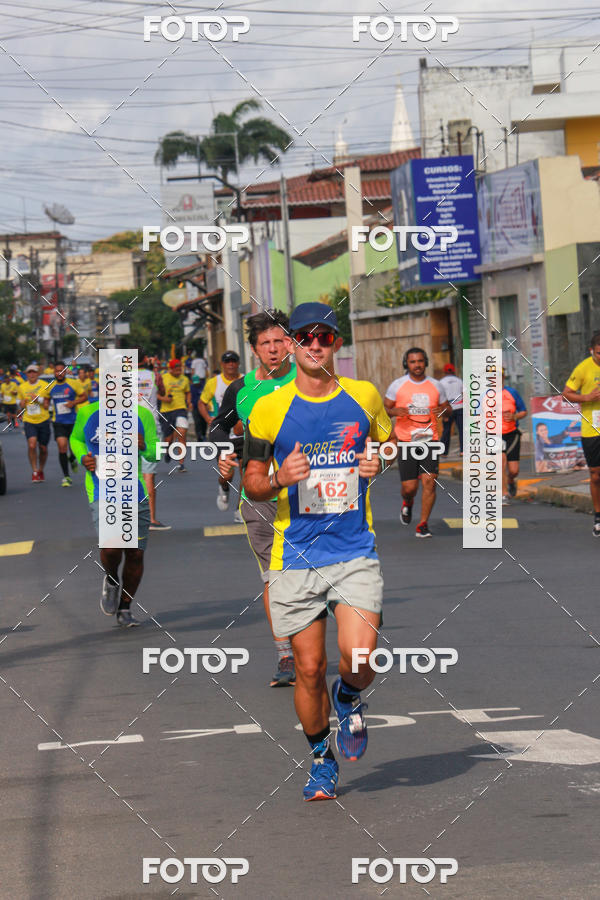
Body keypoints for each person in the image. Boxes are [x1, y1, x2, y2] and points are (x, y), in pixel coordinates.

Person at [243, 301, 391, 801]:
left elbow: (387, 442)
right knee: (308, 669)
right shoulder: (267, 408)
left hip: (354, 550)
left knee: (361, 655)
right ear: (290, 344)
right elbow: (251, 481)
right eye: (303, 337)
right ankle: (322, 761)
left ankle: (347, 696)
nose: (314, 345)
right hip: (296, 556)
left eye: (323, 336)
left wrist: (377, 461)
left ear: (336, 344)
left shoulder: (363, 395)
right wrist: (277, 479)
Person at [213, 310, 297, 687]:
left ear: (290, 344)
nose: (273, 349)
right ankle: (285, 655)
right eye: (266, 343)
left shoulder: (312, 381)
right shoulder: (241, 389)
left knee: (314, 575)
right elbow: (217, 427)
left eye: (279, 341)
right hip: (259, 493)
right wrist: (227, 452)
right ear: (254, 349)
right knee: (274, 576)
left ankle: (314, 644)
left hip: (308, 494)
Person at [70, 400, 158, 627]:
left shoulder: (142, 414)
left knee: (135, 553)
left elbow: (155, 453)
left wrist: (144, 446)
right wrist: (83, 457)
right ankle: (111, 579)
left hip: (135, 491)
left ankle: (125, 608)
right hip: (102, 490)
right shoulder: (88, 412)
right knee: (111, 547)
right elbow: (76, 439)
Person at [384, 348, 451, 538]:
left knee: (430, 481)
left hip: (430, 440)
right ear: (407, 364)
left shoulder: (436, 385)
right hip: (406, 441)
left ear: (426, 362)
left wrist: (443, 411)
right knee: (410, 487)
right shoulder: (397, 385)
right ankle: (408, 501)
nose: (417, 365)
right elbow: (385, 408)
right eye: (413, 362)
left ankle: (423, 524)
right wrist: (395, 412)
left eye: (420, 361)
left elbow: (448, 409)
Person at [562, 331, 600, 535]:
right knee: (595, 475)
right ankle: (598, 516)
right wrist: (587, 397)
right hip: (591, 429)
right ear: (591, 351)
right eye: (599, 353)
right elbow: (566, 395)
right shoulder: (583, 368)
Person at [198, 351, 242, 511]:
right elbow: (201, 403)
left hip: (242, 433)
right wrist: (208, 419)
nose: (231, 364)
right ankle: (224, 487)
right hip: (222, 434)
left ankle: (240, 510)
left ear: (238, 363)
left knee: (247, 475)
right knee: (227, 475)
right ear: (222, 364)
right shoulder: (214, 382)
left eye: (233, 361)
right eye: (227, 361)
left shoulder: (247, 380)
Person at [137, 351, 170, 530]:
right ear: (145, 359)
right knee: (148, 474)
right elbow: (163, 392)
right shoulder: (155, 375)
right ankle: (150, 519)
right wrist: (152, 367)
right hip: (151, 426)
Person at [48, 360, 87, 486]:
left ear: (65, 372)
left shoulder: (73, 383)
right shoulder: (50, 386)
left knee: (72, 449)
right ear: (53, 372)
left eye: (61, 371)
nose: (59, 373)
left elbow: (84, 396)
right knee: (62, 446)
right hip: (58, 422)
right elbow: (45, 398)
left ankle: (72, 458)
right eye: (57, 371)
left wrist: (73, 403)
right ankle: (66, 476)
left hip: (72, 421)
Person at [17, 364, 51, 482]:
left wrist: (38, 399)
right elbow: (19, 403)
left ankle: (41, 470)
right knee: (32, 445)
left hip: (43, 419)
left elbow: (47, 405)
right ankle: (35, 471)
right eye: (29, 372)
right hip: (29, 420)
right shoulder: (22, 387)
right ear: (26, 374)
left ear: (37, 374)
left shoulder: (44, 385)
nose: (32, 374)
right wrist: (21, 403)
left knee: (43, 448)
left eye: (34, 372)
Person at [158, 358, 191, 473]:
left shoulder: (185, 379)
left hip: (181, 409)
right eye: (176, 369)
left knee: (182, 433)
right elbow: (156, 394)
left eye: (180, 369)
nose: (179, 371)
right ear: (170, 369)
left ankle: (181, 464)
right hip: (166, 411)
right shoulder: (163, 378)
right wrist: (164, 399)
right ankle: (168, 450)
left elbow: (188, 392)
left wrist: (189, 402)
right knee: (168, 438)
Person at [501, 370, 527, 504]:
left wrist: (514, 416)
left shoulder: (512, 392)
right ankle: (504, 493)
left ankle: (511, 480)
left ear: (503, 377)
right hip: (493, 435)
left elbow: (524, 411)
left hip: (512, 434)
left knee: (514, 470)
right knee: (500, 462)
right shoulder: (484, 395)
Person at [439, 363, 464, 455]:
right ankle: (463, 451)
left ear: (444, 371)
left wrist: (443, 412)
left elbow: (440, 398)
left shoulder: (441, 382)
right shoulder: (459, 381)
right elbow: (464, 394)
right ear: (454, 370)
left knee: (446, 430)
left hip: (448, 408)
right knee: (461, 430)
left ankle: (444, 452)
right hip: (460, 407)